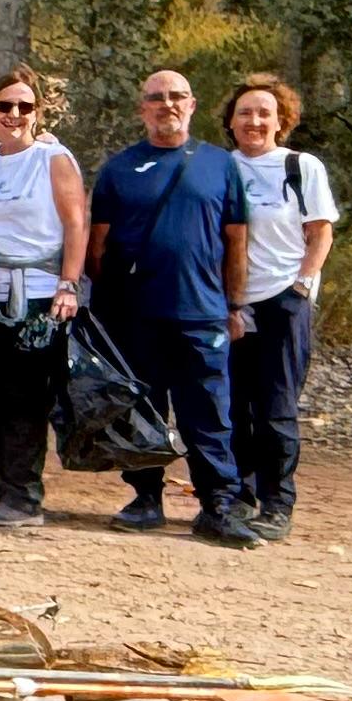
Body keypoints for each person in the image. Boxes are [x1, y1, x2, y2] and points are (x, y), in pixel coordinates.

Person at [84, 66, 260, 547]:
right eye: (157, 97)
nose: (168, 104)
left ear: (193, 104)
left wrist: (235, 305)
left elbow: (236, 241)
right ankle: (145, 499)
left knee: (209, 412)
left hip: (202, 313)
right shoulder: (119, 169)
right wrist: (110, 306)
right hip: (135, 316)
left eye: (178, 96)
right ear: (142, 108)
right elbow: (96, 248)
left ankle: (218, 505)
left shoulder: (220, 165)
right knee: (143, 410)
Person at [0, 69, 87, 528]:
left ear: (38, 113)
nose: (14, 115)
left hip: (38, 294)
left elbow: (76, 224)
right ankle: (4, 484)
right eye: (5, 106)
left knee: (29, 397)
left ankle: (26, 497)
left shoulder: (52, 158)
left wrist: (68, 285)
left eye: (25, 107)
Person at [221, 72, 338, 539]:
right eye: (245, 112)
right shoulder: (219, 166)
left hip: (282, 301)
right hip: (230, 303)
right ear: (230, 121)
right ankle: (239, 499)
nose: (254, 120)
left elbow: (321, 231)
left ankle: (277, 502)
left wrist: (302, 286)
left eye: (264, 112)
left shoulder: (299, 167)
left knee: (276, 407)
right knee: (231, 405)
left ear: (281, 120)